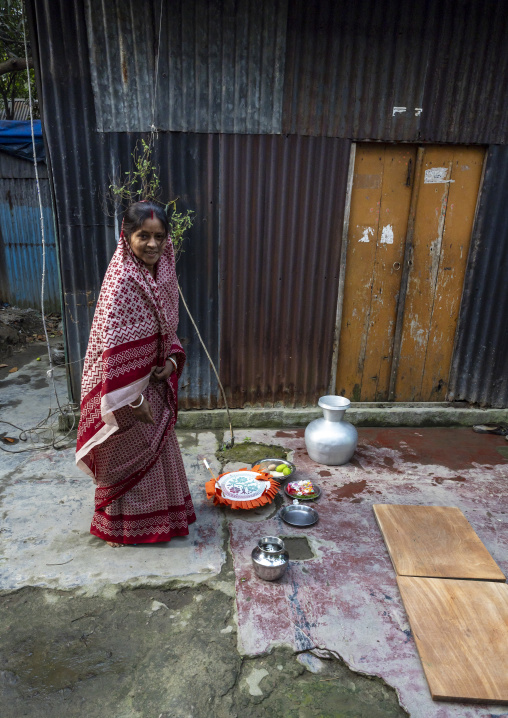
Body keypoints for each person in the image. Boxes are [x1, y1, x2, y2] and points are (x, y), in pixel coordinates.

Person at [75, 201, 196, 546]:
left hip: (153, 385)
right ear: (126, 236)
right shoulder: (122, 281)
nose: (153, 244)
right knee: (124, 459)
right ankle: (123, 529)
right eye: (144, 235)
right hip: (123, 393)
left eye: (160, 236)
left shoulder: (164, 274)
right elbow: (111, 349)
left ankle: (163, 522)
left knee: (158, 455)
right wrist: (133, 398)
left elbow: (168, 332)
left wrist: (171, 362)